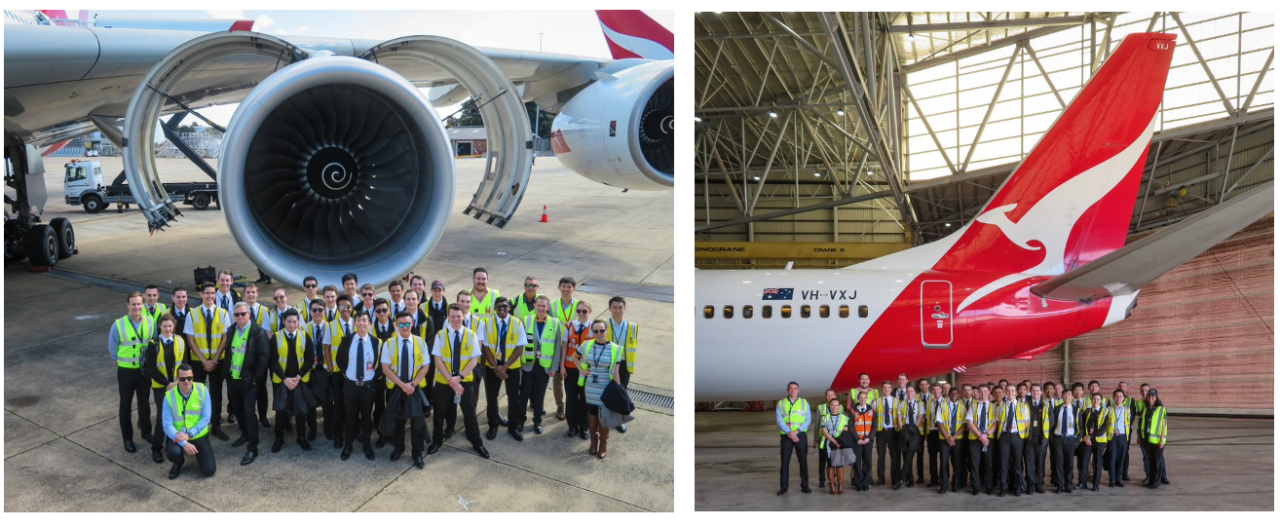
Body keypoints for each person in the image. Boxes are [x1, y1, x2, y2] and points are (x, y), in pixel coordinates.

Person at [430, 303, 490, 459]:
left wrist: (459, 378)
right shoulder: (440, 335)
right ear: (448, 317)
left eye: (458, 316)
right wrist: (451, 380)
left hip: (465, 381)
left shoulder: (471, 335)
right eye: (453, 316)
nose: (456, 319)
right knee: (439, 414)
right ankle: (437, 441)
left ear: (463, 316)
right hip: (444, 383)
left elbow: (474, 360)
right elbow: (437, 360)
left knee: (470, 415)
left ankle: (477, 444)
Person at [220, 302, 269, 465]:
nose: (240, 317)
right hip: (233, 379)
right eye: (237, 314)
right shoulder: (232, 330)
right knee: (238, 410)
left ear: (249, 315)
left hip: (249, 381)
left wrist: (256, 379)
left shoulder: (258, 332)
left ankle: (253, 447)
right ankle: (244, 434)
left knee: (249, 412)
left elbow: (263, 358)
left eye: (243, 314)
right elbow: (229, 354)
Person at [381, 311, 430, 469]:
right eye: (401, 324)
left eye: (407, 323)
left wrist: (413, 384)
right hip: (396, 388)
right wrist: (403, 386)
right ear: (396, 325)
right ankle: (399, 448)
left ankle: (417, 453)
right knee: (398, 421)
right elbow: (386, 369)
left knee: (417, 422)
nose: (404, 327)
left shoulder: (420, 342)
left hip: (414, 388)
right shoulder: (389, 343)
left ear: (412, 323)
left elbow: (425, 366)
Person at [109, 291, 157, 453]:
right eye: (133, 304)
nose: (137, 307)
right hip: (126, 372)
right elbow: (113, 349)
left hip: (143, 371)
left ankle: (146, 432)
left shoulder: (150, 322)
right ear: (127, 305)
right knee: (125, 405)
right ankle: (127, 438)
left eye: (139, 303)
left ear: (143, 305)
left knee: (144, 403)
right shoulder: (118, 324)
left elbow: (153, 343)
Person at [183, 282, 231, 441]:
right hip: (199, 362)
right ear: (201, 294)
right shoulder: (192, 314)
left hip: (217, 362)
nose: (210, 296)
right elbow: (190, 340)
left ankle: (216, 426)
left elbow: (225, 338)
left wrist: (215, 360)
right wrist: (205, 360)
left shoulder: (223, 313)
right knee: (196, 396)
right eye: (207, 293)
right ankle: (197, 428)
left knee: (216, 395)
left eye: (212, 293)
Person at [479, 296, 528, 441]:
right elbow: (485, 347)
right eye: (499, 306)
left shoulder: (517, 323)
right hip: (492, 366)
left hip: (511, 366)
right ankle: (492, 425)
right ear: (494, 308)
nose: (502, 309)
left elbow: (519, 347)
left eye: (505, 306)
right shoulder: (486, 323)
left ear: (509, 308)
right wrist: (496, 366)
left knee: (513, 397)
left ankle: (513, 426)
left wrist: (504, 367)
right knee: (492, 397)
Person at [336, 311, 380, 461]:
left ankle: (367, 445)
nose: (361, 323)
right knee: (350, 417)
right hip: (351, 386)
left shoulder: (375, 342)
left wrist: (374, 378)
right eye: (359, 320)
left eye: (364, 320)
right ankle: (348, 445)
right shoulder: (347, 340)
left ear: (369, 323)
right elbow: (339, 360)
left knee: (367, 417)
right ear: (355, 323)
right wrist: (348, 373)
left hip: (368, 387)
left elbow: (380, 364)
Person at [269, 309, 314, 453]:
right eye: (289, 321)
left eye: (295, 321)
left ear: (298, 322)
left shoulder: (304, 336)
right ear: (283, 322)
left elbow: (309, 359)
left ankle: (301, 437)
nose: (292, 324)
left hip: (299, 380)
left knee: (300, 410)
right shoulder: (276, 337)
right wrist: (284, 379)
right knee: (281, 410)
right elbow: (272, 361)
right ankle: (278, 438)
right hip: (281, 381)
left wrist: (298, 377)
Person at [518, 295, 565, 436]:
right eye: (538, 305)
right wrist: (519, 364)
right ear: (534, 306)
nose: (541, 308)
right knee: (524, 395)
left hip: (544, 366)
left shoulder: (555, 323)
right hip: (528, 365)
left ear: (548, 307)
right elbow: (520, 343)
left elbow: (558, 347)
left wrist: (554, 368)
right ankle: (520, 420)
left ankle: (537, 421)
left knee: (540, 395)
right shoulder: (526, 320)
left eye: (544, 306)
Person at [162, 363, 216, 479]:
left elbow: (206, 417)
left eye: (189, 378)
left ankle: (197, 453)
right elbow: (167, 425)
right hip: (178, 436)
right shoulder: (169, 396)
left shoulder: (202, 390)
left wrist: (190, 434)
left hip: (197, 434)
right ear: (177, 379)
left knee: (209, 471)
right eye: (182, 379)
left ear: (193, 376)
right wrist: (184, 443)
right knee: (173, 453)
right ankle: (178, 462)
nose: (186, 381)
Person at [142, 314, 184, 463]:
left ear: (174, 327)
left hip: (177, 385)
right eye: (165, 326)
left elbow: (184, 364)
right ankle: (156, 449)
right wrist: (167, 384)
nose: (167, 328)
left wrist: (178, 381)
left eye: (170, 326)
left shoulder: (180, 341)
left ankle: (171, 443)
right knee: (162, 417)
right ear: (160, 326)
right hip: (161, 387)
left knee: (176, 416)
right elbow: (152, 369)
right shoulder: (154, 343)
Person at [603, 297, 639, 433]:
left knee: (621, 392)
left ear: (625, 309)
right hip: (608, 363)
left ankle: (619, 420)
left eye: (620, 307)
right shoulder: (603, 325)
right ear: (609, 309)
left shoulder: (632, 326)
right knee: (607, 390)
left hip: (624, 365)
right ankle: (605, 417)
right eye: (614, 307)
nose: (617, 310)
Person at [327, 294, 356, 449]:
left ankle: (353, 432)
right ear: (337, 309)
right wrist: (330, 367)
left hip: (353, 372)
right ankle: (338, 435)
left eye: (348, 307)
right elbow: (326, 347)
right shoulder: (330, 325)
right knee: (338, 404)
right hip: (338, 372)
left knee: (352, 404)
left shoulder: (358, 324)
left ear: (352, 308)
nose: (345, 310)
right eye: (342, 307)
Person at [241, 282, 272, 429]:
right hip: (243, 355)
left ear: (257, 294)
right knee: (245, 387)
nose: (251, 295)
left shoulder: (265, 311)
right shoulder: (240, 310)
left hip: (259, 356)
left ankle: (263, 415)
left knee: (261, 387)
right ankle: (246, 415)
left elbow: (267, 334)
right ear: (244, 294)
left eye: (253, 292)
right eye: (248, 292)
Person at [561, 301, 592, 440]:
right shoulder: (569, 326)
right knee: (571, 399)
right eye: (578, 311)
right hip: (570, 369)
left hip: (586, 371)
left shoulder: (593, 328)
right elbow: (564, 346)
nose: (581, 314)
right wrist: (561, 365)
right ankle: (572, 426)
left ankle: (583, 427)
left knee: (584, 400)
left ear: (589, 311)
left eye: (584, 311)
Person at [303, 301, 333, 442]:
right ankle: (313, 429)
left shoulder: (330, 327)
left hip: (326, 370)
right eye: (314, 310)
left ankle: (328, 428)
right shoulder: (304, 328)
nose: (317, 313)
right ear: (310, 312)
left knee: (328, 402)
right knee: (310, 403)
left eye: (320, 310)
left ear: (324, 311)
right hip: (311, 370)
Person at [775, 381, 811, 495]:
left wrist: (797, 431)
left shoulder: (804, 403)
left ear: (798, 390)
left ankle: (805, 486)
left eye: (795, 388)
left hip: (800, 435)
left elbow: (808, 419)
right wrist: (789, 432)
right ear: (787, 390)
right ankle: (784, 487)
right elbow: (779, 420)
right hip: (786, 436)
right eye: (791, 388)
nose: (793, 390)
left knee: (803, 461)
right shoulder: (781, 403)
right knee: (785, 462)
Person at [963, 384, 998, 495]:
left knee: (988, 464)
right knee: (974, 464)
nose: (983, 393)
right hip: (974, 439)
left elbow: (995, 424)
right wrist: (979, 435)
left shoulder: (994, 407)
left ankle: (989, 487)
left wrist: (986, 434)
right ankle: (976, 487)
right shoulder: (973, 406)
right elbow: (969, 423)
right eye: (981, 391)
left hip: (988, 439)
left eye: (985, 391)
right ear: (977, 393)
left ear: (989, 392)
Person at [996, 386, 1029, 496]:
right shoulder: (1001, 405)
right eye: (1008, 391)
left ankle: (1017, 487)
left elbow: (1025, 423)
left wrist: (1018, 432)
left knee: (1017, 464)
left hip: (1017, 436)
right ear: (1005, 392)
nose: (1010, 393)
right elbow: (997, 422)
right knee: (1003, 464)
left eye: (1012, 391)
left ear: (1015, 393)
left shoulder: (1023, 406)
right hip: (1004, 436)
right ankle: (1003, 487)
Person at [1050, 389, 1082, 493]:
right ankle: (1059, 485)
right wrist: (1053, 438)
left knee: (1069, 463)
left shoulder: (1076, 410)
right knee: (1059, 463)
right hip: (1058, 439)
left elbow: (1080, 427)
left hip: (1070, 439)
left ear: (1072, 397)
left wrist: (1077, 440)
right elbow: (1052, 424)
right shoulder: (1057, 409)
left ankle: (1068, 484)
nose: (1067, 397)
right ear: (1062, 396)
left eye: (1069, 395)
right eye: (1065, 394)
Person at [819, 398, 852, 495]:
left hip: (840, 444)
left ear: (839, 406)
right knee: (830, 464)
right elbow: (824, 432)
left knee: (839, 464)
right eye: (832, 405)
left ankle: (840, 485)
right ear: (829, 405)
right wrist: (833, 441)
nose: (834, 407)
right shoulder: (824, 418)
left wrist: (839, 442)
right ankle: (832, 486)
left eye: (836, 405)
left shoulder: (844, 418)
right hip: (829, 444)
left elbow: (845, 431)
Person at [1080, 392, 1112, 491]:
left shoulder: (1105, 412)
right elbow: (1082, 426)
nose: (1096, 401)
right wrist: (1084, 437)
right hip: (1087, 441)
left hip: (1099, 441)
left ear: (1101, 401)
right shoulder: (1086, 411)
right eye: (1094, 399)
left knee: (1097, 463)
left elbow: (1103, 429)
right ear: (1091, 400)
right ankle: (1082, 483)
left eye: (1098, 399)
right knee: (1084, 462)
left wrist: (1090, 436)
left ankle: (1096, 484)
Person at [935, 387, 964, 494]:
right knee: (944, 463)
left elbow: (964, 424)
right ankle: (943, 485)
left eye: (956, 393)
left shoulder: (962, 407)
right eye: (952, 393)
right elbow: (939, 422)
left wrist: (954, 437)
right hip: (944, 439)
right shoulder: (942, 405)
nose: (954, 395)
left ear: (959, 395)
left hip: (957, 439)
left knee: (957, 463)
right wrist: (947, 437)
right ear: (949, 394)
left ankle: (955, 485)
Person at [1138, 388, 1168, 489]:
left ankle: (1156, 481)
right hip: (1146, 439)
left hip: (1157, 440)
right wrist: (1139, 436)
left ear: (1156, 398)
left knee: (1157, 461)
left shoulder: (1161, 409)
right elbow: (1141, 423)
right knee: (1150, 461)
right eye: (1149, 396)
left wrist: (1161, 440)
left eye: (1153, 396)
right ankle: (1150, 480)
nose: (1151, 398)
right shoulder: (1145, 408)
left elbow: (1164, 426)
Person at [895, 384, 924, 488]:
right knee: (906, 456)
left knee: (909, 457)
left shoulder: (920, 404)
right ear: (906, 393)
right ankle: (910, 479)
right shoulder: (902, 403)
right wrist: (902, 427)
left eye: (912, 391)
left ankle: (900, 480)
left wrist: (914, 428)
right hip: (904, 429)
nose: (910, 393)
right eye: (908, 392)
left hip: (914, 430)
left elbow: (921, 416)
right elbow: (899, 416)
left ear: (915, 393)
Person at [872, 381, 899, 488]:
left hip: (893, 431)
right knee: (881, 456)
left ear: (891, 389)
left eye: (888, 387)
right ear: (881, 389)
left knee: (894, 456)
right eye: (884, 387)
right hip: (881, 431)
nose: (886, 389)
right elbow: (873, 418)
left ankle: (894, 478)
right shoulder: (876, 402)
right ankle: (881, 478)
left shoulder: (896, 401)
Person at [849, 391, 875, 491]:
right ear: (858, 399)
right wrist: (857, 439)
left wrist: (870, 438)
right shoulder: (852, 411)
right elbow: (851, 427)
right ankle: (858, 482)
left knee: (867, 462)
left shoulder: (871, 411)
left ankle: (865, 482)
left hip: (868, 441)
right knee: (856, 462)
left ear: (867, 399)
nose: (863, 400)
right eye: (861, 398)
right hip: (857, 442)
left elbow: (874, 426)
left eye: (864, 398)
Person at [814, 389, 837, 489]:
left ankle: (832, 480)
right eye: (828, 395)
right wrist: (815, 439)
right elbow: (817, 424)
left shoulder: (839, 407)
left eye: (831, 395)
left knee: (833, 461)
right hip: (822, 439)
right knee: (822, 461)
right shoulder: (820, 407)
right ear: (825, 397)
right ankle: (822, 480)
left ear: (835, 396)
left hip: (834, 440)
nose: (830, 397)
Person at [1107, 389, 1130, 487]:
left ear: (1123, 398)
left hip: (1122, 437)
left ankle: (1118, 479)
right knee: (1112, 458)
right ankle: (1112, 479)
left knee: (1121, 459)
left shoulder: (1127, 410)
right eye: (1116, 396)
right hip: (1112, 437)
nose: (1118, 398)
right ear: (1113, 398)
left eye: (1121, 396)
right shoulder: (1108, 409)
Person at [925, 383, 945, 487]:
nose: (936, 391)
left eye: (937, 389)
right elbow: (927, 419)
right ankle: (933, 479)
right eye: (934, 390)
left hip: (942, 433)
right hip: (932, 432)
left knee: (943, 457)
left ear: (941, 390)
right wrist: (926, 434)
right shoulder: (929, 403)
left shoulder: (946, 402)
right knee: (932, 458)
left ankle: (943, 479)